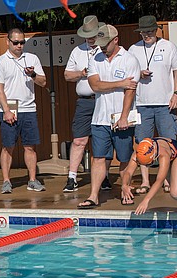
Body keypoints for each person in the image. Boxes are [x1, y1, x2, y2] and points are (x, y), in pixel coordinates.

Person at [78, 24, 140, 209]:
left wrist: (123, 116)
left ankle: (125, 190)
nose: (102, 47)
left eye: (106, 43)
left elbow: (130, 91)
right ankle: (93, 196)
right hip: (100, 118)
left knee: (124, 158)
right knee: (98, 158)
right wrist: (120, 83)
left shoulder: (129, 59)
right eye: (100, 43)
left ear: (116, 40)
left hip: (123, 118)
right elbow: (95, 86)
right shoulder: (95, 59)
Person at [128, 15, 177, 195]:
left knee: (169, 142)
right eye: (143, 32)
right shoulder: (133, 49)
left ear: (157, 30)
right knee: (142, 144)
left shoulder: (169, 47)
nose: (147, 35)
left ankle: (168, 180)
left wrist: (176, 93)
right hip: (142, 104)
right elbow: (127, 75)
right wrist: (139, 74)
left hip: (165, 103)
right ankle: (145, 181)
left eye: (150, 31)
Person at [0, 28, 47, 194]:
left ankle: (32, 180)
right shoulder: (0, 61)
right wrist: (6, 110)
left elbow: (43, 82)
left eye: (22, 42)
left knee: (30, 147)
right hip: (10, 109)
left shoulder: (32, 58)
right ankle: (6, 181)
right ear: (7, 42)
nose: (19, 45)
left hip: (29, 108)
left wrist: (33, 75)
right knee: (8, 146)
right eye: (15, 42)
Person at [63, 16, 113, 193]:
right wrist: (82, 73)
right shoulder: (77, 51)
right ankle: (72, 177)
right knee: (79, 140)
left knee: (105, 139)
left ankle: (104, 176)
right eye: (87, 36)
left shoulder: (105, 49)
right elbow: (67, 75)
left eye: (93, 35)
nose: (90, 39)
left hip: (104, 99)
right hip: (85, 101)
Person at [120, 138, 177, 218]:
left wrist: (146, 200)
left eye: (148, 164)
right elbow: (128, 172)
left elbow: (160, 180)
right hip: (163, 151)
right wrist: (124, 185)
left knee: (175, 193)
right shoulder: (139, 153)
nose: (147, 166)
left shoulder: (163, 154)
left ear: (154, 156)